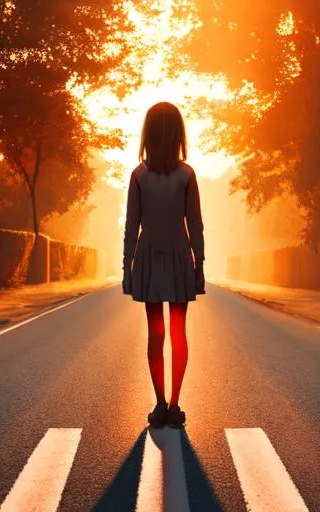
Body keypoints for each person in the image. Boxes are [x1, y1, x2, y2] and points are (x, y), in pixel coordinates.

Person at [122, 102, 206, 428]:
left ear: (148, 134)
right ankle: (174, 404)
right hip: (180, 258)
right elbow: (195, 225)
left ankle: (158, 404)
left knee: (155, 335)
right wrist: (199, 263)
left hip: (148, 259)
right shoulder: (187, 175)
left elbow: (132, 225)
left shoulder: (139, 176)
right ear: (177, 135)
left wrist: (127, 267)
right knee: (178, 334)